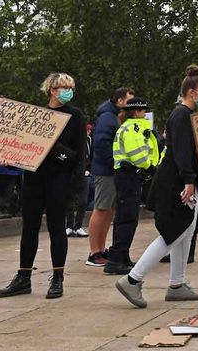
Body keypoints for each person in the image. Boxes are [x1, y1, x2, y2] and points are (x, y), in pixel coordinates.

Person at [116, 65, 198, 308]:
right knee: (173, 233)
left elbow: (192, 151)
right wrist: (188, 180)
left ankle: (177, 284)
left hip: (183, 182)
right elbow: (182, 153)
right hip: (177, 183)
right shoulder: (181, 116)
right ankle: (133, 280)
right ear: (192, 92)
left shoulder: (187, 116)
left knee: (184, 232)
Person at [0, 73, 87, 300]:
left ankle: (57, 278)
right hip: (34, 177)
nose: (67, 90)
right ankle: (23, 276)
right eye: (63, 87)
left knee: (57, 227)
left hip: (60, 178)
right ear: (51, 90)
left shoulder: (75, 116)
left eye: (70, 87)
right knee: (30, 227)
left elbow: (78, 154)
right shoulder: (37, 114)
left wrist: (74, 178)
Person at [105, 98, 160, 275]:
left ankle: (121, 256)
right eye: (143, 111)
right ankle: (116, 259)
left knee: (124, 217)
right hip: (129, 175)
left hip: (127, 175)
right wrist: (150, 166)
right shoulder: (133, 128)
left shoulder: (129, 127)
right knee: (128, 218)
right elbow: (137, 152)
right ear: (136, 112)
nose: (145, 114)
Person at [87, 87, 133, 267]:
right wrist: (114, 162)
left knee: (108, 210)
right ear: (120, 101)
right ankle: (94, 251)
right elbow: (102, 143)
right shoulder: (107, 117)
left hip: (111, 170)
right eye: (129, 100)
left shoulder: (114, 116)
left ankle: (101, 248)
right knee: (101, 209)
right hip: (106, 171)